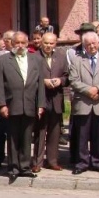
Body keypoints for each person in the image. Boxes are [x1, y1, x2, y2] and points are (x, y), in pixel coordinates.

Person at [0, 31, 45, 183]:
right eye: (17, 43)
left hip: (30, 104)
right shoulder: (3, 60)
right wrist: (2, 104)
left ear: (27, 43)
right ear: (12, 43)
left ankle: (25, 167)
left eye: (23, 43)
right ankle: (13, 167)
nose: (20, 46)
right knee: (13, 138)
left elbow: (40, 84)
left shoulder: (36, 60)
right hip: (11, 104)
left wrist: (40, 104)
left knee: (27, 137)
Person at [70, 32, 99, 174]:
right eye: (88, 44)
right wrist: (89, 90)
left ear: (98, 42)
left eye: (94, 43)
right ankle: (82, 163)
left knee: (98, 136)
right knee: (82, 136)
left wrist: (98, 89)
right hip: (83, 103)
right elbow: (74, 80)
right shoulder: (77, 60)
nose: (91, 46)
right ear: (84, 46)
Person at [34, 32, 68, 171]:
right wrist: (43, 82)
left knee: (55, 131)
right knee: (40, 131)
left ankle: (52, 161)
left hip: (56, 97)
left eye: (51, 43)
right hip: (41, 98)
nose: (48, 46)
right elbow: (30, 77)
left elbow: (67, 76)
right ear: (41, 42)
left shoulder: (61, 56)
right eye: (46, 43)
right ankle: (37, 162)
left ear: (56, 43)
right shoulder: (34, 57)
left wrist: (60, 80)